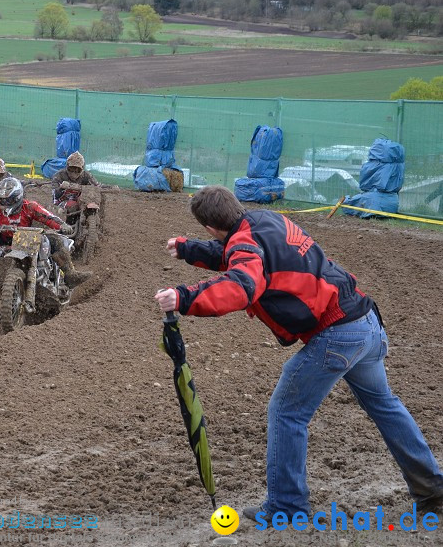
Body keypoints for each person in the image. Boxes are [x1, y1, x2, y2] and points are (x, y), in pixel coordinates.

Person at [153, 185, 443, 520]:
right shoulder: (267, 220)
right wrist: (191, 250)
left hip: (337, 334)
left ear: (210, 227)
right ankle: (432, 488)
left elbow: (241, 285)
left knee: (286, 411)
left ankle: (287, 506)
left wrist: (184, 297)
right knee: (384, 405)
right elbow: (244, 255)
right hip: (365, 322)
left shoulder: (246, 244)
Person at [0, 177, 90, 288]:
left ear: (17, 198)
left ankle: (70, 274)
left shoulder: (29, 207)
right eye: (0, 199)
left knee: (55, 239)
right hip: (4, 248)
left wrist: (62, 225)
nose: (2, 203)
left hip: (28, 244)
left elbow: (49, 217)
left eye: (6, 200)